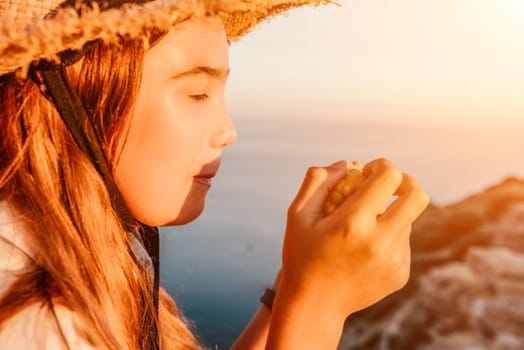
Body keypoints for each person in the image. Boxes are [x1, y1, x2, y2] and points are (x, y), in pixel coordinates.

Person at [0, 0, 430, 349]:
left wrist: (294, 287)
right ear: (76, 93)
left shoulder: (74, 250)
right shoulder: (36, 318)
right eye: (198, 93)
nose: (228, 131)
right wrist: (321, 307)